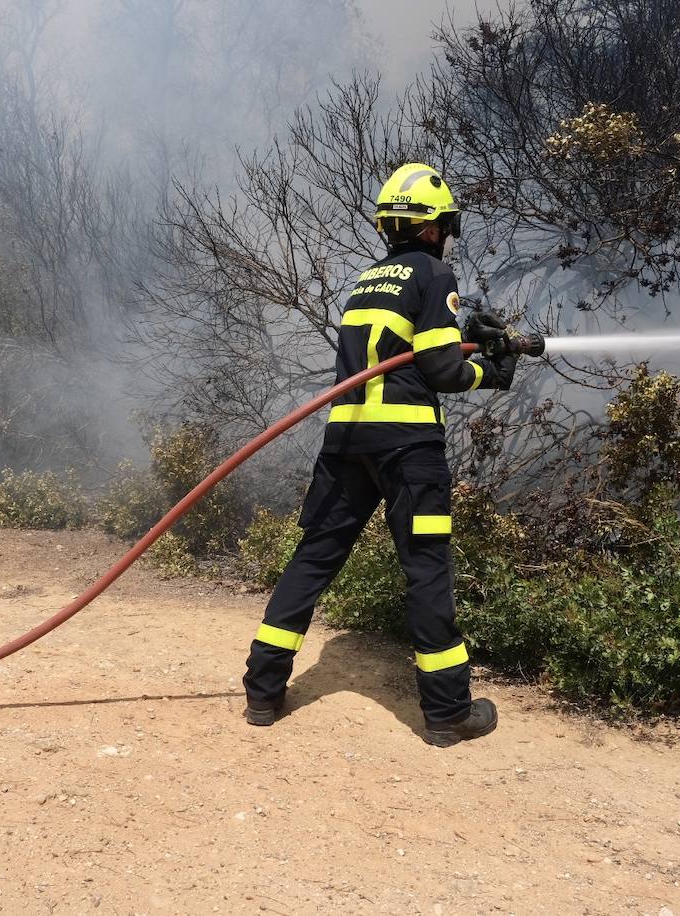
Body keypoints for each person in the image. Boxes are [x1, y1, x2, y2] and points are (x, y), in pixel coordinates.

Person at [241, 162, 522, 747]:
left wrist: (462, 340)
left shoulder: (367, 281)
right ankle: (447, 713)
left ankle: (263, 691)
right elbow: (442, 370)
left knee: (314, 558)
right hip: (407, 449)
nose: (447, 235)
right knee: (425, 566)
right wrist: (492, 373)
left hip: (346, 443)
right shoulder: (434, 273)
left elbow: (406, 352)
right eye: (446, 225)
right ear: (430, 227)